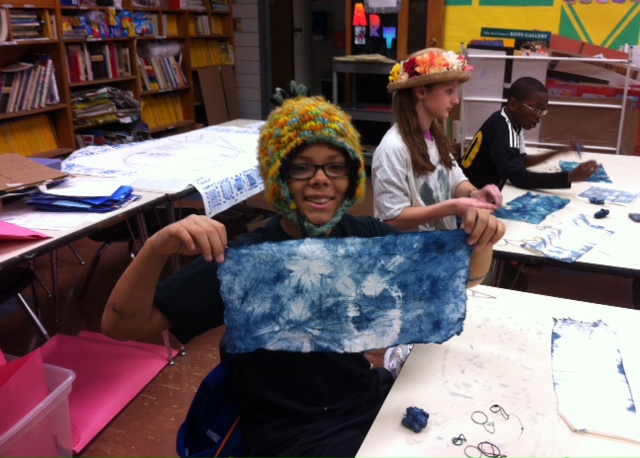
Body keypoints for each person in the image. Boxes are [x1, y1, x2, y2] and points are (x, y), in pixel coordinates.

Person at [101, 90, 505, 458]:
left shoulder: (366, 238)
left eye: (335, 167)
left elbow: (465, 278)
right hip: (292, 433)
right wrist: (156, 248)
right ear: (278, 177)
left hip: (361, 399)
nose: (320, 179)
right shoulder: (246, 261)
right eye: (301, 167)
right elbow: (121, 325)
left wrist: (481, 235)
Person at [372, 47, 503, 233]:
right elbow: (391, 218)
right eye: (449, 91)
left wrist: (474, 193)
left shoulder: (436, 136)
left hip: (439, 243)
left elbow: (455, 180)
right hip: (413, 249)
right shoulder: (393, 149)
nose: (456, 100)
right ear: (421, 91)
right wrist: (451, 207)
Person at [460, 76, 599, 190]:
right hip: (472, 193)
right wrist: (569, 177)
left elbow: (521, 161)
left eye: (543, 111)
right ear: (513, 105)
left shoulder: (508, 120)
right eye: (536, 109)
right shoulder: (504, 132)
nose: (539, 116)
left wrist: (559, 151)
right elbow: (519, 178)